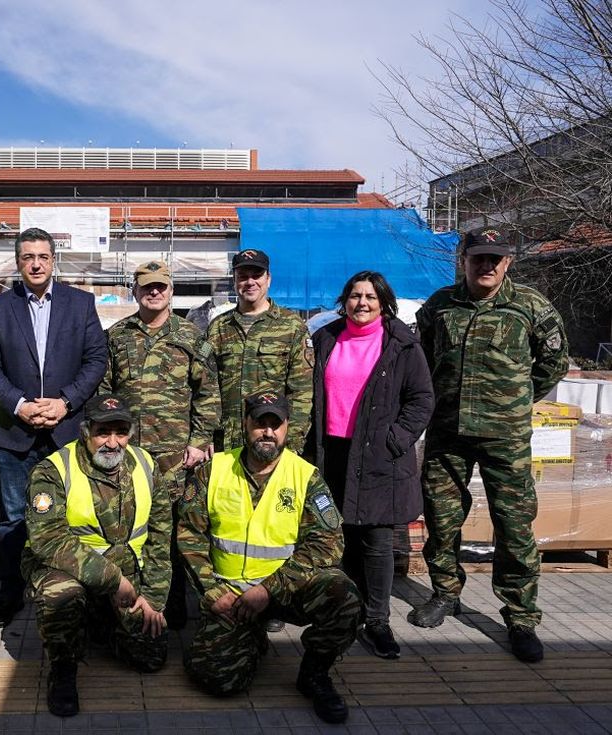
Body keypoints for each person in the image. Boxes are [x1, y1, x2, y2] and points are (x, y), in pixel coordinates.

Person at [411, 226, 569, 663]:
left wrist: (516, 401)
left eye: (495, 258)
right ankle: (445, 593)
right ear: (463, 260)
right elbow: (420, 361)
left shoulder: (530, 307)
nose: (487, 265)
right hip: (447, 432)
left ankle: (520, 616)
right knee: (442, 519)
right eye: (478, 257)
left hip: (505, 437)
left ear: (508, 262)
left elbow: (554, 363)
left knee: (514, 526)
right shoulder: (440, 306)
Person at [178, 392, 361, 724]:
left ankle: (315, 675)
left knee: (343, 595)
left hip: (283, 592)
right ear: (245, 425)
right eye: (260, 423)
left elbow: (328, 544)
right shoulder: (214, 470)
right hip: (230, 594)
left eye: (275, 424)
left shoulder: (305, 476)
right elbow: (190, 534)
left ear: (286, 428)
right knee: (218, 680)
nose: (267, 432)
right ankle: (250, 636)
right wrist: (211, 590)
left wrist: (268, 589)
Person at [0, 227, 108, 628]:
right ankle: (11, 593)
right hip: (15, 434)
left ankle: (69, 592)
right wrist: (19, 404)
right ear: (18, 262)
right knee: (16, 517)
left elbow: (96, 359)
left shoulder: (80, 304)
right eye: (27, 257)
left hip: (65, 430)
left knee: (70, 514)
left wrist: (64, 401)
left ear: (54, 261)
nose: (35, 263)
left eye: (43, 257)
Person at [307, 271, 434, 659]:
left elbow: (422, 400)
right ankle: (346, 612)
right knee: (339, 536)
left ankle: (377, 619)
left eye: (370, 297)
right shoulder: (326, 338)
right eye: (355, 296)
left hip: (379, 454)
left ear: (383, 303)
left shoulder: (401, 345)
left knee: (377, 542)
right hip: (333, 451)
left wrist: (394, 439)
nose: (362, 303)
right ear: (344, 300)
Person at [23, 394, 172, 717]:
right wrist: (113, 581)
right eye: (103, 432)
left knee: (150, 657)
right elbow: (47, 539)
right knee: (61, 595)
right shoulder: (51, 471)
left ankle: (101, 621)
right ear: (85, 431)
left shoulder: (146, 464)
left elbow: (161, 536)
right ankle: (62, 670)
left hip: (125, 574)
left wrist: (155, 598)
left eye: (121, 432)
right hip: (67, 570)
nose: (113, 442)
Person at [100, 259, 220, 627]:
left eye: (161, 286)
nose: (154, 292)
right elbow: (104, 391)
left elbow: (208, 393)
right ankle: (133, 605)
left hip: (176, 458)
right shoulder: (117, 336)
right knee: (131, 530)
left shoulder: (190, 337)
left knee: (176, 535)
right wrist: (109, 443)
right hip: (128, 457)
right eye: (147, 286)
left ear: (171, 291)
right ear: (135, 291)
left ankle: (176, 611)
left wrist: (199, 442)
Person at [206, 249, 312, 454]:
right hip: (227, 442)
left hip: (272, 440)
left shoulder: (292, 327)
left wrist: (292, 440)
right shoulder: (218, 327)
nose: (250, 282)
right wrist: (206, 434)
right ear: (235, 281)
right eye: (243, 277)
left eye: (257, 276)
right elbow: (207, 387)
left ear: (268, 279)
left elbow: (301, 391)